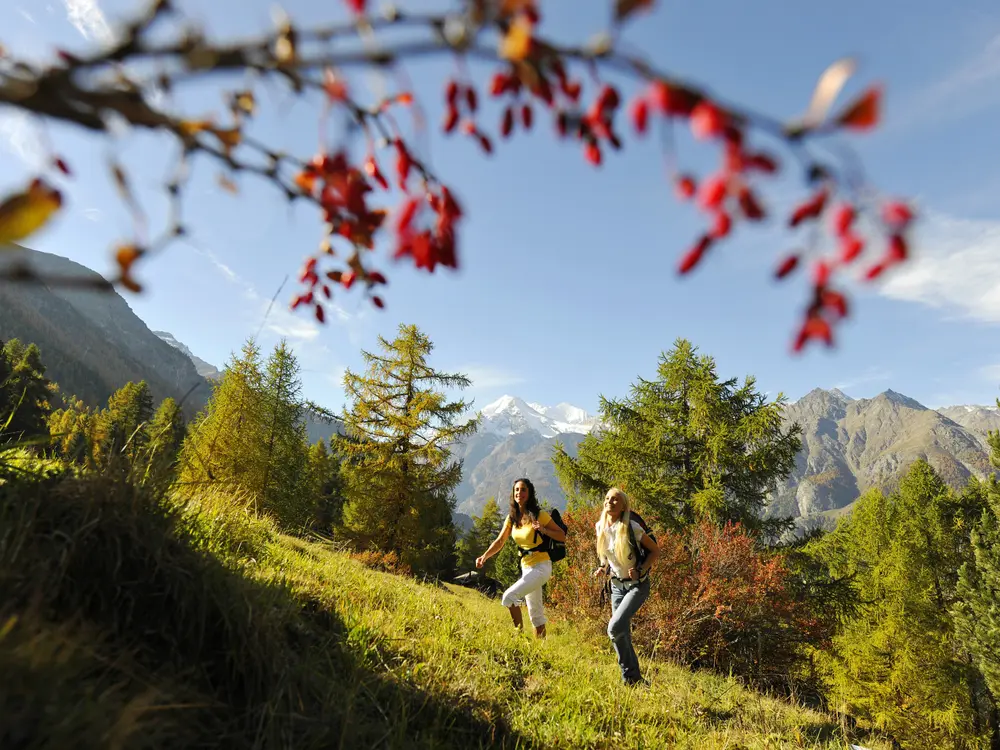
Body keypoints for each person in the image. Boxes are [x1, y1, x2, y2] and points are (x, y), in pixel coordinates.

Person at [476, 477, 566, 638]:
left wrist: (544, 530)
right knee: (536, 614)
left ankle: (519, 638)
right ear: (513, 494)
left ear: (529, 493)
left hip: (541, 566)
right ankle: (541, 650)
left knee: (509, 597)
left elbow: (561, 535)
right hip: (527, 567)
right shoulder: (512, 518)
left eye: (523, 489)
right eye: (517, 490)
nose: (519, 492)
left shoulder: (539, 515)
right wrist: (484, 557)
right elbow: (500, 541)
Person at [593, 487, 660, 686]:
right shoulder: (600, 527)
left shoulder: (631, 527)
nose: (609, 502)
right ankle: (633, 679)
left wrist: (640, 569)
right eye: (607, 499)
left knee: (614, 629)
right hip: (615, 587)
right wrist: (602, 568)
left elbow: (655, 551)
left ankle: (630, 676)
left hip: (637, 586)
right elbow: (608, 558)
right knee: (621, 633)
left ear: (623, 506)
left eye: (615, 500)